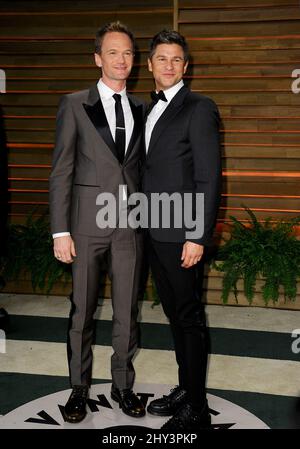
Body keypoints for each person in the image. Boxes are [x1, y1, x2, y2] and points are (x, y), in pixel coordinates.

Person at [49, 21, 146, 423]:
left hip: (131, 225)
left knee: (127, 311)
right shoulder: (74, 104)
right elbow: (61, 171)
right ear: (97, 58)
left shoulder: (144, 107)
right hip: (85, 225)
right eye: (113, 52)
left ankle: (123, 386)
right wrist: (60, 230)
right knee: (82, 311)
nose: (121, 60)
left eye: (127, 53)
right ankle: (79, 388)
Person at [142, 30, 221, 431]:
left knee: (188, 318)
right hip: (153, 231)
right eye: (161, 59)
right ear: (151, 64)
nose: (168, 66)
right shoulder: (146, 108)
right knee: (175, 315)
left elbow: (208, 178)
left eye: (176, 60)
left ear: (185, 67)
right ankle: (187, 389)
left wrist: (197, 235)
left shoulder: (199, 108)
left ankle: (197, 409)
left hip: (182, 234)